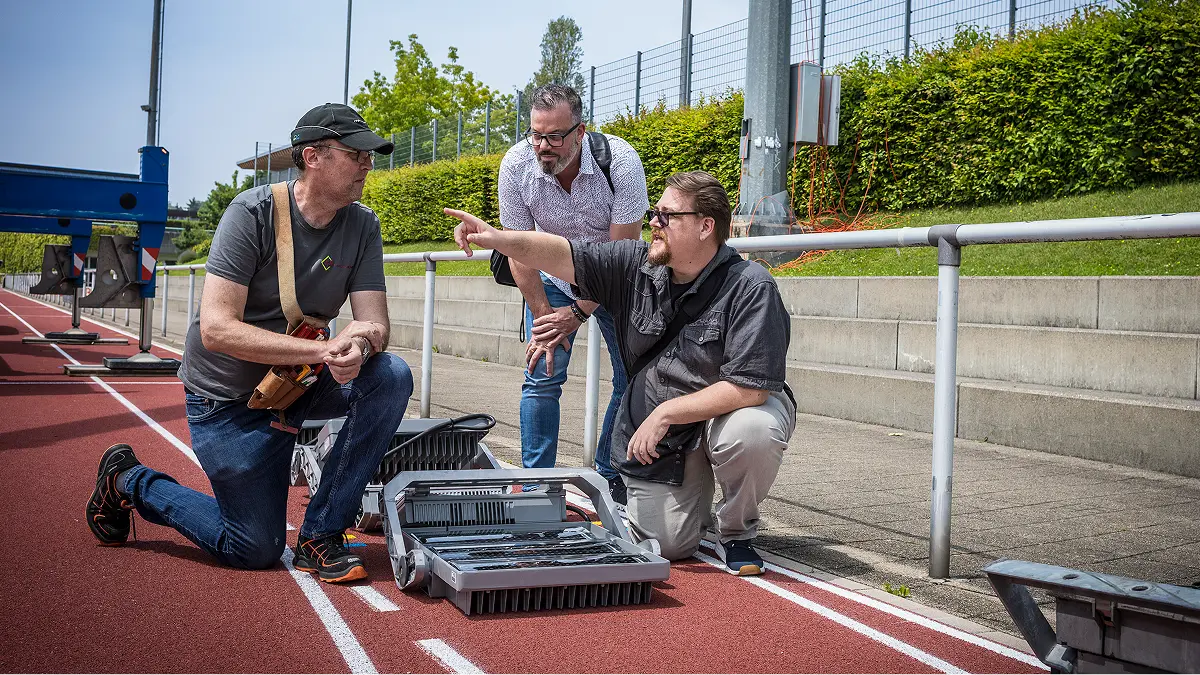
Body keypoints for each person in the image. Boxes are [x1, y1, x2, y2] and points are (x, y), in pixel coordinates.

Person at [85, 103, 413, 583]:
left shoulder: (363, 225)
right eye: (356, 154)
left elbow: (376, 323)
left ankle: (321, 534)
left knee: (390, 376)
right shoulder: (251, 213)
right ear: (312, 156)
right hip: (228, 401)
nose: (368, 164)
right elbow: (217, 329)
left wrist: (360, 347)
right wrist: (322, 351)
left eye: (369, 156)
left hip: (298, 384)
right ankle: (128, 479)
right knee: (253, 548)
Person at [446, 170, 797, 576]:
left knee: (752, 431)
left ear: (705, 227)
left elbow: (750, 389)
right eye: (655, 213)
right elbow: (561, 253)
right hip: (670, 434)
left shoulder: (752, 286)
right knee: (668, 544)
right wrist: (497, 238)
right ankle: (695, 495)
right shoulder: (633, 263)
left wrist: (665, 413)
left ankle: (737, 531)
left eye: (667, 216)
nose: (654, 223)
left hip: (725, 411)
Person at [497, 83, 650, 505]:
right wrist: (545, 316)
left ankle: (609, 473)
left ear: (580, 131)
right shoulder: (515, 166)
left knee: (631, 376)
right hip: (553, 277)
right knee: (542, 374)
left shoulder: (620, 161)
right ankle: (536, 485)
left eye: (554, 137)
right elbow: (519, 249)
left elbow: (622, 254)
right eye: (536, 135)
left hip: (617, 277)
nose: (543, 147)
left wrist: (578, 313)